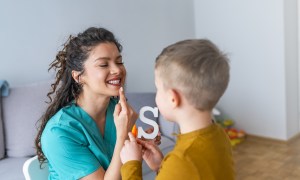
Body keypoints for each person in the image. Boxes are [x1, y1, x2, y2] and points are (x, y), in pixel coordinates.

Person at [120, 39, 235, 179]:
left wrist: (131, 164)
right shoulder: (219, 135)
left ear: (173, 99)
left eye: (158, 89)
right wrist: (161, 166)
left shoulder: (182, 160)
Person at [34, 27, 139, 180]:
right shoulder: (59, 133)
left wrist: (137, 146)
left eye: (119, 61)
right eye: (104, 64)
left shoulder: (115, 109)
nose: (117, 69)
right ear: (78, 76)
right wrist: (123, 135)